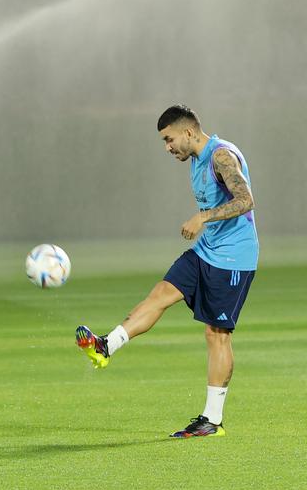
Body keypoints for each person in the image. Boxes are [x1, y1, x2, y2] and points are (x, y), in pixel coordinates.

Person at [76, 104, 258, 438]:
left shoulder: (221, 156)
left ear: (188, 132)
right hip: (206, 251)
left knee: (217, 334)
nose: (167, 147)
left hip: (233, 258)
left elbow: (246, 199)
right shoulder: (195, 159)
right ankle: (106, 345)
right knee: (161, 293)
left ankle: (212, 420)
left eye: (169, 139)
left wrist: (202, 217)